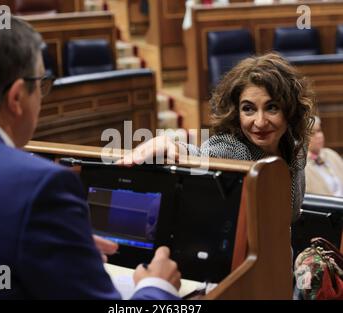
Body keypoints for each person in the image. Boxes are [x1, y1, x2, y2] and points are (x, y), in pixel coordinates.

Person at [0, 11, 181, 299]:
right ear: (17, 97)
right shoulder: (39, 186)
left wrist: (58, 246)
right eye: (41, 85)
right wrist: (157, 287)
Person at [119, 53, 315, 221]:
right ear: (236, 113)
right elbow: (201, 157)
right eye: (248, 109)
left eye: (272, 107)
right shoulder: (232, 150)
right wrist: (171, 145)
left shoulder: (297, 145)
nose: (260, 122)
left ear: (290, 110)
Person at [305, 116, 343, 197]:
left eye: (319, 130)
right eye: (312, 133)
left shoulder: (331, 154)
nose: (319, 136)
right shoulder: (300, 166)